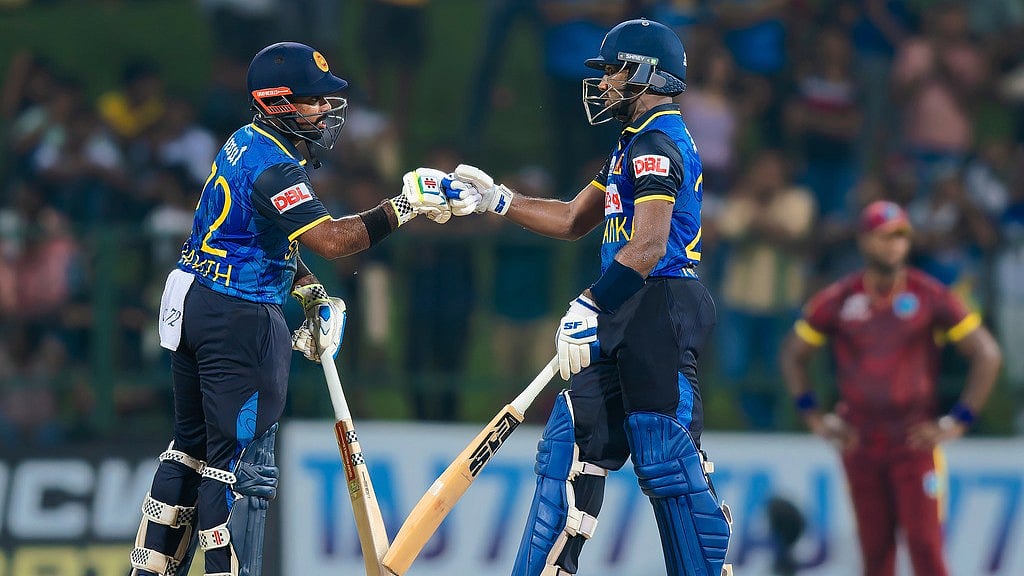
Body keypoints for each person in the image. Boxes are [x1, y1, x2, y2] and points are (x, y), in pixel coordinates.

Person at [128, 41, 452, 576]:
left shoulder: (243, 140)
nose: (327, 111)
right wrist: (406, 206)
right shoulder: (276, 168)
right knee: (238, 470)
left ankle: (151, 570)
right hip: (239, 315)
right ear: (278, 101)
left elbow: (264, 235)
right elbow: (332, 239)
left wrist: (307, 290)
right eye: (314, 101)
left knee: (188, 450)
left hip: (195, 299)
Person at [443, 18, 732, 576]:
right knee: (567, 454)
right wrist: (498, 201)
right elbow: (577, 218)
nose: (604, 84)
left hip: (656, 306)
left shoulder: (658, 143)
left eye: (615, 71)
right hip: (624, 304)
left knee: (667, 464)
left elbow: (648, 247)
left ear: (650, 73)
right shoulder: (630, 143)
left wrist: (592, 303)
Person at [779, 200, 1002, 576]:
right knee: (876, 554)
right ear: (865, 241)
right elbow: (793, 353)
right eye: (885, 236)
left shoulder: (928, 294)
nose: (894, 245)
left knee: (926, 549)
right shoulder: (842, 298)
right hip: (860, 440)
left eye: (901, 236)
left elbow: (987, 353)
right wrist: (814, 416)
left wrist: (957, 420)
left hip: (913, 441)